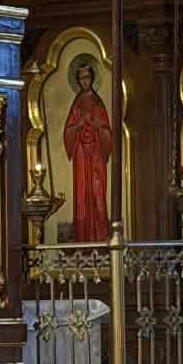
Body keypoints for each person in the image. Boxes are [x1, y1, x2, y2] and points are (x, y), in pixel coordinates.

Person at [64, 59, 113, 243]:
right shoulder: (76, 104)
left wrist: (97, 126)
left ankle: (100, 236)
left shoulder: (98, 103)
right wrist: (78, 125)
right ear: (77, 81)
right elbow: (68, 131)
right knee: (82, 194)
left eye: (87, 77)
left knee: (97, 191)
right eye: (81, 78)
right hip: (81, 153)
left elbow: (107, 132)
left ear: (92, 78)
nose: (85, 81)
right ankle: (82, 238)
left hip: (96, 153)